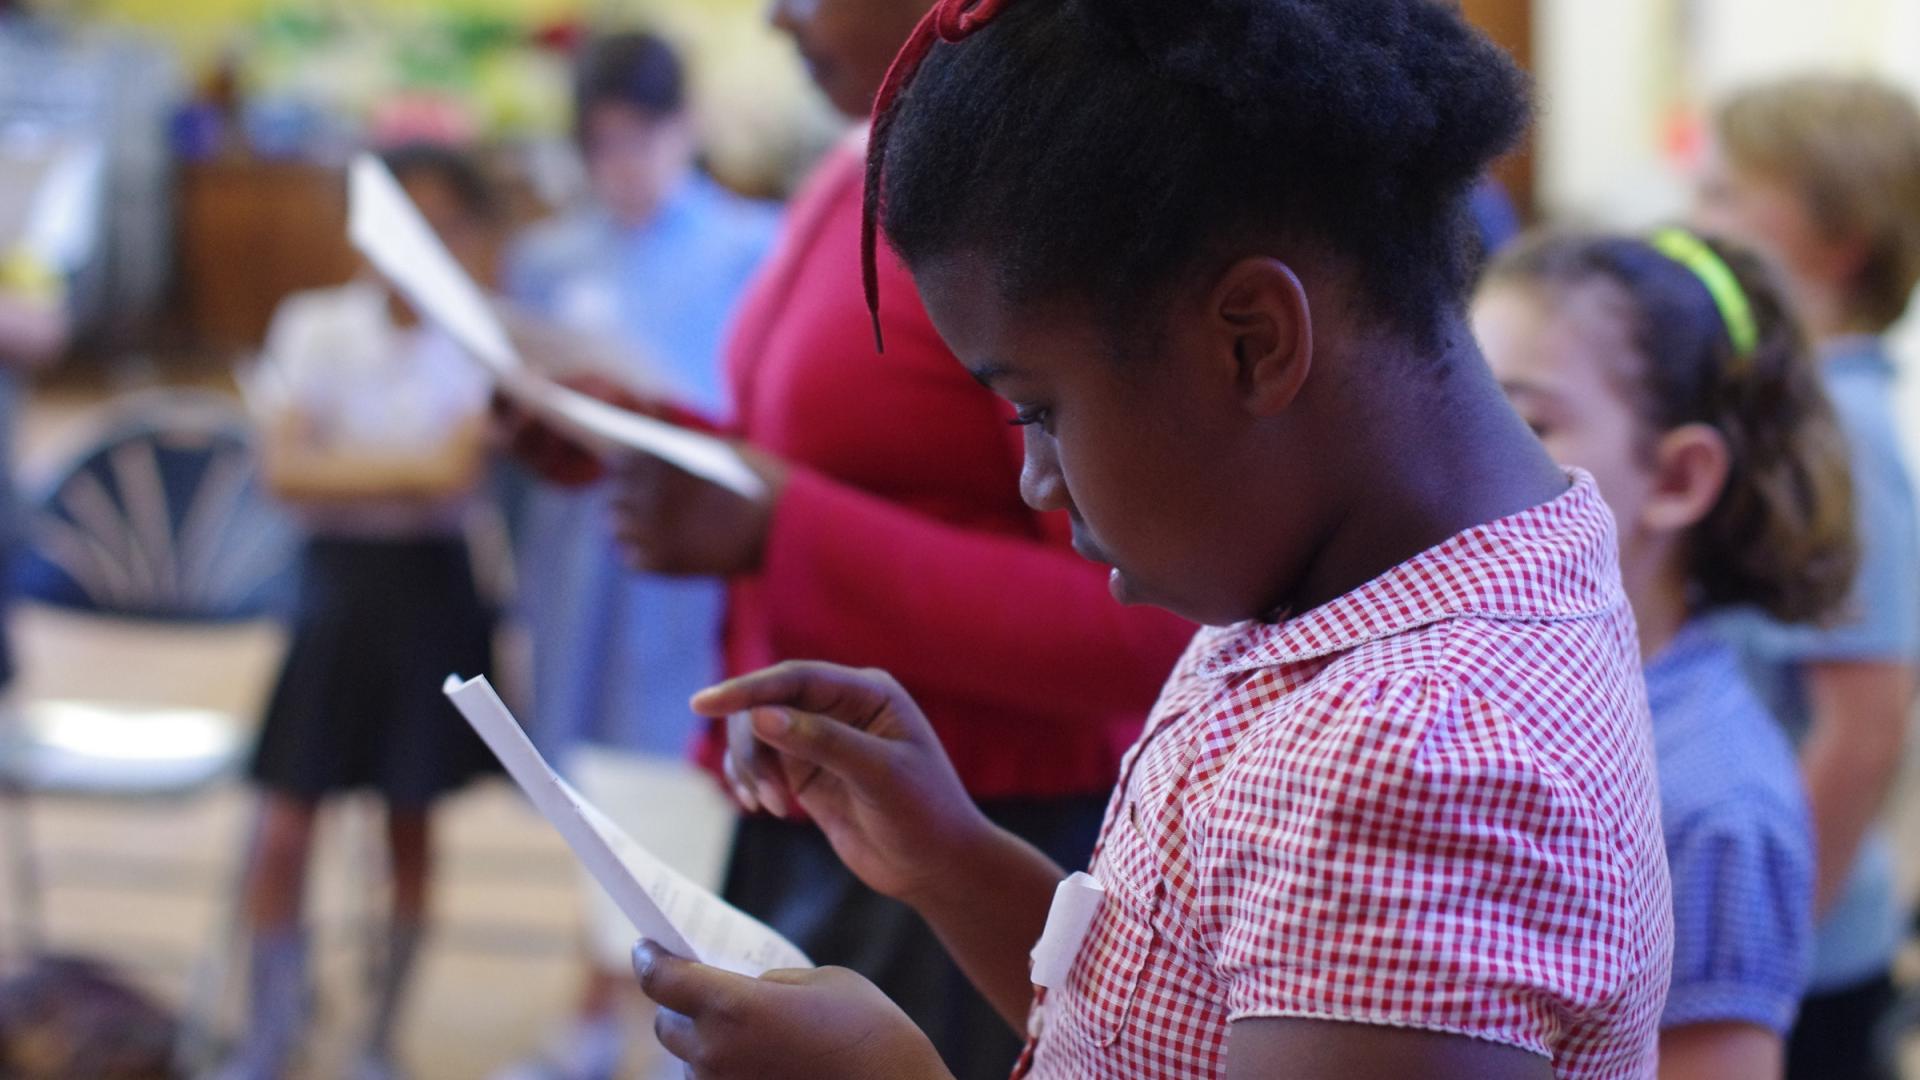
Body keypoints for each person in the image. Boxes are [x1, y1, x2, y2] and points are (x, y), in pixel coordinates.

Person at [623, 1, 1673, 1077]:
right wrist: (951, 857)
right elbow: (1178, 1017)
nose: (1036, 475)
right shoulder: (1352, 589)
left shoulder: (1423, 756)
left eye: (1039, 408)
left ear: (1252, 342)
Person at [501, 2, 1199, 1076]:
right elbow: (841, 458)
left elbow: (1146, 623)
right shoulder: (858, 162)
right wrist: (651, 446)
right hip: (829, 808)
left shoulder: (1036, 195)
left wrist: (783, 530)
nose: (775, 15)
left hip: (979, 850)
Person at [1477, 230, 1854, 1078]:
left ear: (1678, 478)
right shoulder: (1513, 691)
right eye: (1461, 408)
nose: (1466, 456)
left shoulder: (1717, 803)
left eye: (1529, 420)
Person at [493, 32, 778, 1080]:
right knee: (589, 782)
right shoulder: (551, 257)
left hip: (694, 563)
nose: (623, 168)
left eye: (640, 142)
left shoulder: (754, 245)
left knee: (685, 779)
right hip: (581, 556)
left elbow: (764, 417)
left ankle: (682, 1021)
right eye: (601, 146)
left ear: (682, 132)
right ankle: (586, 1011)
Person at [221, 144, 502, 1080]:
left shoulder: (477, 338)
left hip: (429, 595)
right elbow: (284, 472)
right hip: (334, 592)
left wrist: (339, 466)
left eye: (441, 219)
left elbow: (449, 478)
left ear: (466, 235)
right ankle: (269, 1027)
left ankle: (379, 1035)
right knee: (285, 821)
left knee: (409, 818)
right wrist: (403, 473)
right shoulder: (315, 324)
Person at [1694, 77, 1920, 1080]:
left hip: (1805, 960)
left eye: (1729, 196)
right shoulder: (1799, 415)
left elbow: (1864, 725)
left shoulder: (1841, 438)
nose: (1698, 218)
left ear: (1838, 243)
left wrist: (1771, 949)